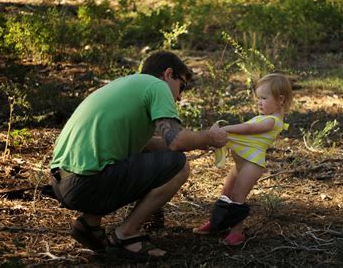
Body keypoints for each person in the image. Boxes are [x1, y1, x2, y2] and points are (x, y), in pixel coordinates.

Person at [50, 50, 227, 261]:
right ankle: (126, 235)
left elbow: (151, 145)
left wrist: (198, 141)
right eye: (183, 86)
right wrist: (209, 137)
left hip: (61, 181)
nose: (179, 97)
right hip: (85, 185)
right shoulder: (157, 86)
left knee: (137, 156)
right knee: (179, 166)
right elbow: (177, 140)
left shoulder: (125, 85)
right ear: (168, 74)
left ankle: (89, 225)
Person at [193, 73, 293, 246]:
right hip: (240, 164)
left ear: (280, 99)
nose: (259, 102)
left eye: (263, 98)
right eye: (257, 98)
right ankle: (217, 223)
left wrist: (225, 129)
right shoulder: (264, 117)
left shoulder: (272, 121)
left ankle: (237, 232)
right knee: (226, 194)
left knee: (238, 197)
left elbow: (248, 128)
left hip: (251, 165)